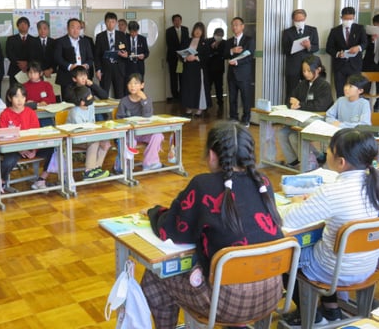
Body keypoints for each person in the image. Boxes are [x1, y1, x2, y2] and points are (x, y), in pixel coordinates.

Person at [140, 122, 284, 329]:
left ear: (212, 155)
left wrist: (155, 212)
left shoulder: (203, 184)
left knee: (155, 277)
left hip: (227, 302)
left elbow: (171, 231)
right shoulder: (263, 182)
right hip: (272, 294)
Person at [281, 128, 379, 327]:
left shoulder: (333, 191)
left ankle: (313, 318)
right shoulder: (373, 183)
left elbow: (290, 219)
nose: (326, 153)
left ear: (341, 162)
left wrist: (298, 202)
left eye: (329, 150)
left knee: (285, 257)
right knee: (325, 243)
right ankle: (332, 309)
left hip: (335, 271)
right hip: (368, 268)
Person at [0, 84, 53, 194]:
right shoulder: (5, 114)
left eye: (23, 97)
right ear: (9, 98)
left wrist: (34, 150)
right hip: (14, 149)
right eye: (16, 96)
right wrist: (20, 150)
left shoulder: (30, 112)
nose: (20, 100)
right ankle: (0, 182)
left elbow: (37, 134)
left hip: (31, 147)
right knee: (8, 161)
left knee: (53, 149)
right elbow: (4, 137)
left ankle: (41, 179)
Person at [277, 56, 334, 168]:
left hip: (318, 119)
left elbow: (320, 106)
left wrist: (300, 104)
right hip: (301, 118)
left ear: (318, 70)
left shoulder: (324, 86)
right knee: (282, 133)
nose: (306, 74)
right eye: (304, 71)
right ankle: (294, 161)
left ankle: (312, 161)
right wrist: (292, 103)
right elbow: (290, 98)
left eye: (309, 71)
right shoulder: (302, 84)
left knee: (294, 137)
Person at [116, 73, 164, 170]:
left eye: (136, 83)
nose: (132, 86)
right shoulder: (124, 101)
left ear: (142, 85)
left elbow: (148, 115)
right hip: (130, 133)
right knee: (130, 141)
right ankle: (123, 165)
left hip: (144, 131)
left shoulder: (147, 99)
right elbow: (119, 119)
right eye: (130, 83)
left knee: (158, 135)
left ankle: (149, 162)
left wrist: (144, 100)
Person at [67, 86, 111, 180]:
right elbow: (82, 132)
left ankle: (96, 168)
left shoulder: (91, 106)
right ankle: (88, 171)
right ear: (82, 102)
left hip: (89, 136)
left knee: (106, 143)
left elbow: (92, 123)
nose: (91, 97)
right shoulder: (75, 113)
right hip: (75, 139)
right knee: (94, 142)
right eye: (89, 96)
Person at [326, 6, 368, 98]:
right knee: (340, 92)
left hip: (354, 65)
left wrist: (358, 47)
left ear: (354, 18)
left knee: (354, 91)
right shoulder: (335, 31)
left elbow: (365, 43)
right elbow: (329, 48)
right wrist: (338, 54)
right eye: (346, 19)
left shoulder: (359, 28)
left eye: (350, 19)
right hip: (340, 66)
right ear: (341, 17)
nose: (348, 21)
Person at [282, 9, 320, 101]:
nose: (299, 22)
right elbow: (284, 50)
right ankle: (290, 107)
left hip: (308, 65)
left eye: (301, 20)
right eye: (297, 20)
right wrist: (294, 47)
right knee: (291, 91)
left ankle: (308, 106)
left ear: (305, 18)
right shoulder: (287, 32)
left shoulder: (312, 30)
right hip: (293, 66)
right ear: (293, 20)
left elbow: (316, 47)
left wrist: (309, 46)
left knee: (309, 89)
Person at [225, 17, 255, 127]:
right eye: (233, 25)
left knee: (245, 98)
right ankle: (233, 118)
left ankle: (246, 119)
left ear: (242, 26)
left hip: (244, 74)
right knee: (232, 98)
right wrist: (231, 51)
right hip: (231, 74)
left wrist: (237, 62)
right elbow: (224, 55)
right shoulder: (229, 41)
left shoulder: (249, 40)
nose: (234, 27)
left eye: (237, 24)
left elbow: (250, 56)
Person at [54, 18, 95, 101]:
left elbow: (91, 58)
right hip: (66, 77)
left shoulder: (85, 41)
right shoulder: (60, 41)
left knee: (85, 100)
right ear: (68, 28)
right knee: (68, 102)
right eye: (73, 27)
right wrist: (70, 66)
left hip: (83, 77)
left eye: (78, 28)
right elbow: (57, 58)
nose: (75, 30)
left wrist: (86, 66)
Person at [95, 12, 129, 98]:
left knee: (119, 93)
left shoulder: (121, 35)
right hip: (105, 69)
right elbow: (97, 55)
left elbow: (127, 50)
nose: (110, 24)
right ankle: (104, 108)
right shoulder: (100, 36)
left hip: (119, 68)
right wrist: (98, 69)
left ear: (116, 23)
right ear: (105, 22)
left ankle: (120, 107)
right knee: (103, 93)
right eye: (108, 21)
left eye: (113, 22)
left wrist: (126, 55)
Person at [181, 22, 209, 118]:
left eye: (200, 30)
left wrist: (196, 57)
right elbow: (181, 54)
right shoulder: (187, 41)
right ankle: (189, 108)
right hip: (188, 68)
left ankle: (199, 109)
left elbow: (207, 56)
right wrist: (186, 58)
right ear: (193, 30)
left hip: (198, 69)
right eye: (196, 29)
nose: (197, 31)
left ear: (202, 32)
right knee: (188, 88)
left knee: (199, 88)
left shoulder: (205, 42)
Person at [23, 61, 56, 126]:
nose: (32, 75)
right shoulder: (24, 86)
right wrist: (26, 102)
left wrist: (45, 102)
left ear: (40, 73)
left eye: (35, 73)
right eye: (30, 72)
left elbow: (53, 99)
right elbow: (21, 101)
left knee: (47, 127)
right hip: (30, 114)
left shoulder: (47, 85)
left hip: (45, 113)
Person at [165, 14, 190, 101]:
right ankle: (175, 96)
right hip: (173, 58)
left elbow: (187, 43)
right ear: (173, 22)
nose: (177, 22)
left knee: (182, 77)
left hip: (183, 58)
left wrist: (183, 54)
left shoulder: (185, 29)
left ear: (181, 21)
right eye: (175, 20)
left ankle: (183, 95)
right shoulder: (169, 31)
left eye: (179, 20)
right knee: (173, 78)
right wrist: (177, 53)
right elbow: (169, 44)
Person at [206, 27, 226, 117]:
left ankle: (220, 102)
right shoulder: (208, 41)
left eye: (221, 35)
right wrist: (213, 49)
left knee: (219, 87)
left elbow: (224, 54)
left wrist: (217, 51)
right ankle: (207, 103)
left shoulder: (224, 43)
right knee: (208, 86)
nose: (219, 37)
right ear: (214, 34)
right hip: (209, 69)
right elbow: (207, 54)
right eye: (218, 35)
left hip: (219, 69)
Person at [362, 14, 379, 111]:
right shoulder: (367, 34)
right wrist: (372, 40)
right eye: (375, 25)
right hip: (368, 64)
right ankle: (365, 107)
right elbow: (364, 47)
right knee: (365, 87)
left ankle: (377, 107)